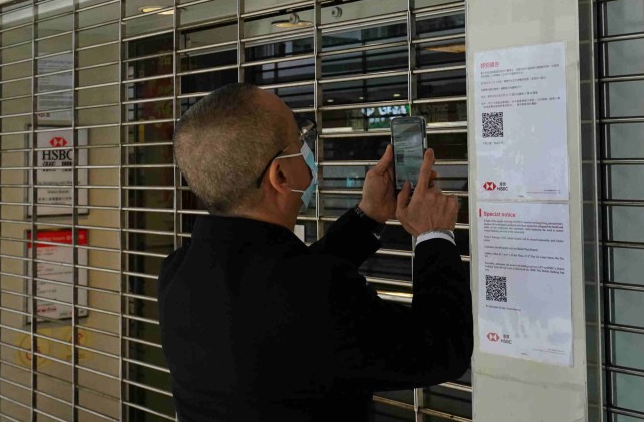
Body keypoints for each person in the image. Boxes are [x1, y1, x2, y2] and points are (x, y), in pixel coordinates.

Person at [158, 83, 472, 422]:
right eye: (299, 140)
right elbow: (442, 348)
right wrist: (434, 234)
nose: (308, 148)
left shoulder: (179, 275)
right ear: (279, 174)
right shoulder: (312, 294)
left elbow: (286, 281)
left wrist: (367, 216)